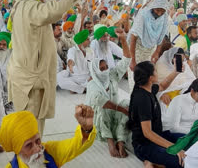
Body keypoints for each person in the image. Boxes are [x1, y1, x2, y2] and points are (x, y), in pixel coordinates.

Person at [7, 0, 96, 135]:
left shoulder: (29, 5)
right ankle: (29, 161)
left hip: (32, 81)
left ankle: (31, 158)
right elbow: (55, 11)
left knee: (33, 130)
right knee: (30, 133)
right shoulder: (29, 7)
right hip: (29, 86)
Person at [127, 61, 186, 168]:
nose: (157, 72)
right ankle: (152, 162)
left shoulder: (148, 88)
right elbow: (147, 133)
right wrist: (174, 148)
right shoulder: (142, 99)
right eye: (155, 71)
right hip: (144, 145)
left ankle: (153, 162)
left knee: (191, 140)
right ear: (150, 78)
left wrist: (176, 72)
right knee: (181, 161)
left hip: (158, 135)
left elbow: (163, 86)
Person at [0, 106, 97, 168]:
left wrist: (86, 128)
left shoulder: (50, 152)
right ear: (17, 150)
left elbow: (76, 145)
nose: (37, 148)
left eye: (37, 140)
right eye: (29, 145)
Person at [85, 28, 131, 158]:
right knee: (103, 108)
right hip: (99, 122)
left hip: (114, 115)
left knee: (127, 104)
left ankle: (121, 141)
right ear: (96, 71)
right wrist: (121, 110)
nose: (105, 71)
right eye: (102, 69)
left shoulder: (112, 75)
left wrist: (123, 39)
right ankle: (111, 142)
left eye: (106, 68)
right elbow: (101, 101)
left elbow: (126, 59)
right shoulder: (92, 84)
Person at [128, 0, 170, 91]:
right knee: (135, 79)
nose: (159, 13)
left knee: (148, 79)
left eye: (162, 11)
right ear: (153, 7)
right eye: (157, 10)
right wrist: (132, 60)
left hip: (151, 50)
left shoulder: (164, 17)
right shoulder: (143, 15)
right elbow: (133, 38)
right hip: (136, 50)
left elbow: (161, 36)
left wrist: (157, 52)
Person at [57, 30, 93, 94]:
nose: (89, 41)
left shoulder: (90, 50)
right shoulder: (72, 50)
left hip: (87, 78)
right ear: (82, 41)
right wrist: (70, 65)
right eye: (87, 40)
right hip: (74, 78)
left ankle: (77, 89)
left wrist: (93, 76)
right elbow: (70, 59)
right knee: (59, 78)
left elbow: (93, 64)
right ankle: (83, 88)